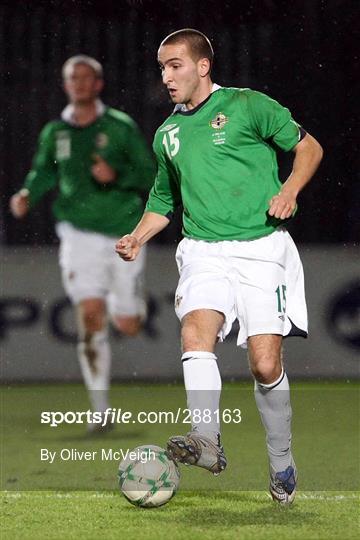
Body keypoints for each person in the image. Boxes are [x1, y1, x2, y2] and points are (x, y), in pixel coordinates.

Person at [116, 29, 323, 503]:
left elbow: (309, 148)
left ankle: (281, 459)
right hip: (203, 250)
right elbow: (163, 199)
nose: (166, 77)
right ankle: (207, 439)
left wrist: (288, 191)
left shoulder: (249, 105)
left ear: (202, 66)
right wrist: (137, 236)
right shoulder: (166, 134)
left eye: (175, 65)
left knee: (265, 364)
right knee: (195, 333)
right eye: (161, 67)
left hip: (261, 250)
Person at [10, 55, 155, 432]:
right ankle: (100, 410)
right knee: (90, 318)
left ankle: (124, 301)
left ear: (99, 84)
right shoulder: (55, 132)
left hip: (124, 232)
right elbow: (43, 171)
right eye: (73, 78)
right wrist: (27, 193)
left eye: (86, 77)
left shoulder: (120, 127)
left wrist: (116, 173)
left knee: (127, 323)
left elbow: (149, 173)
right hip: (77, 233)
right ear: (66, 85)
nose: (79, 83)